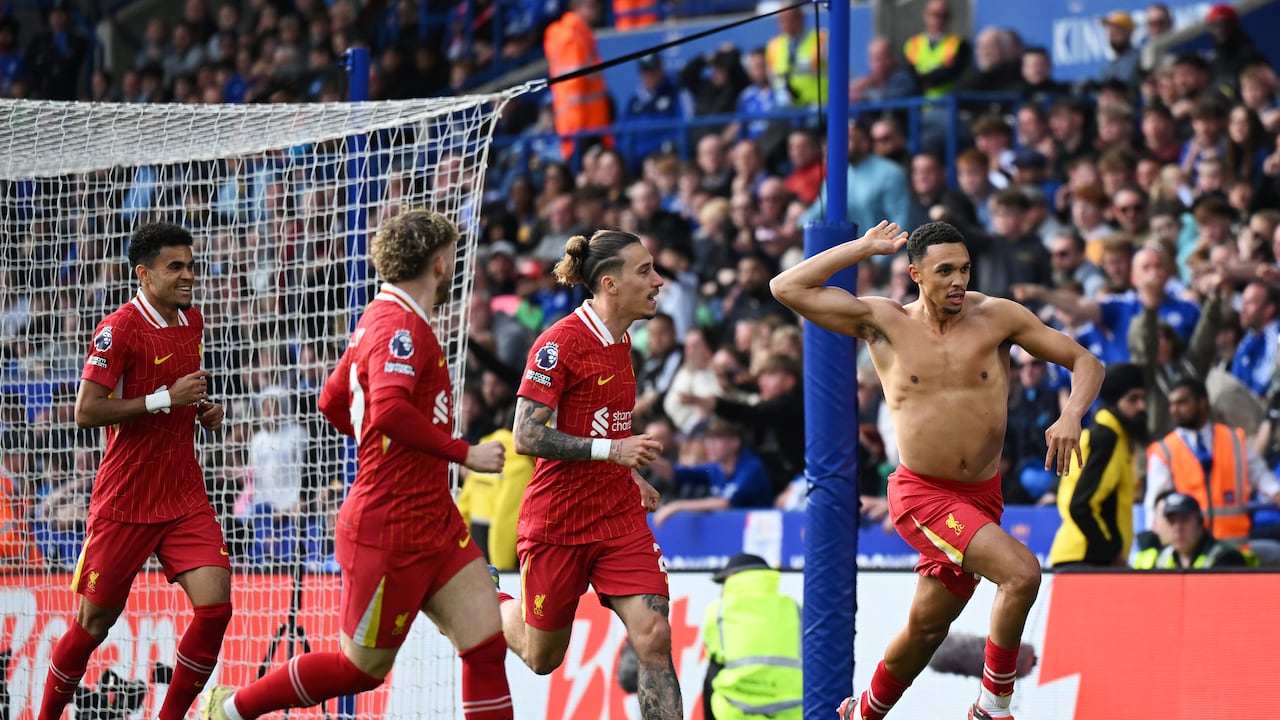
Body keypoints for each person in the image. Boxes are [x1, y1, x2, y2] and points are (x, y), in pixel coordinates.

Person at [770, 220, 1103, 720]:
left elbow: (1086, 362)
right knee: (1021, 573)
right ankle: (993, 707)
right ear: (915, 275)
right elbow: (785, 287)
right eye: (944, 271)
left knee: (927, 628)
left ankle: (862, 713)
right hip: (924, 494)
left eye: (964, 269)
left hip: (982, 496)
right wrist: (862, 248)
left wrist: (1072, 414)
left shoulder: (998, 317)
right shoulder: (884, 321)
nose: (958, 281)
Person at [201, 210, 513, 720]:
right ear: (438, 261)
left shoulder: (378, 316)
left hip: (433, 520)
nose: (456, 261)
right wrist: (464, 452)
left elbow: (330, 401)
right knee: (361, 670)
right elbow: (387, 409)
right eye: (454, 252)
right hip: (389, 528)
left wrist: (380, 446)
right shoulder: (399, 327)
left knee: (485, 646)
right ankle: (230, 710)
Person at [38, 222, 231, 720]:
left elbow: (177, 394)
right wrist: (168, 399)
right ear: (144, 274)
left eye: (191, 265)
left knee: (215, 608)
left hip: (183, 494)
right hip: (125, 499)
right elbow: (86, 411)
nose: (188, 275)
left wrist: (203, 411)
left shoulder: (193, 321)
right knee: (93, 625)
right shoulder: (118, 328)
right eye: (176, 267)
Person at [501, 229, 681, 720]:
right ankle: (485, 597)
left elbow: (604, 424)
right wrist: (613, 450)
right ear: (610, 284)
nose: (658, 280)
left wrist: (627, 474)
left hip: (618, 519)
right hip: (558, 521)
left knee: (655, 634)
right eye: (645, 271)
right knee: (543, 659)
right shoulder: (559, 344)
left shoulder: (623, 341)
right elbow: (526, 437)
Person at [1144, 377, 1279, 543]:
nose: (1174, 410)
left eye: (1182, 402)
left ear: (1202, 403)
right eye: (1172, 404)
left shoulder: (1234, 439)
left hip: (1234, 549)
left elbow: (1263, 478)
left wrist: (1276, 493)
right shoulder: (1165, 451)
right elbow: (1154, 505)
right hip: (1191, 552)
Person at [1049, 363, 1147, 568]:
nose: (1141, 407)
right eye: (1133, 399)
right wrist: (1110, 554)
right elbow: (1081, 505)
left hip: (1081, 559)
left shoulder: (1111, 437)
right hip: (1086, 560)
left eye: (1143, 398)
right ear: (1114, 402)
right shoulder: (1107, 438)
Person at [701, 553, 802, 720]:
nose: (722, 590)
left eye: (723, 583)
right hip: (792, 711)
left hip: (737, 712)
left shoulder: (719, 611)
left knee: (714, 671)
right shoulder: (795, 608)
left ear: (732, 577)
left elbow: (713, 671)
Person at [543, 0, 612, 161]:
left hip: (585, 123)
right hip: (582, 126)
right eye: (592, 5)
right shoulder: (572, 37)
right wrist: (579, 132)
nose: (598, 9)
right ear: (576, 7)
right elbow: (573, 86)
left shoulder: (578, 34)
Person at [1143, 491, 1248, 568]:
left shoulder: (1227, 558)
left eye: (1184, 520)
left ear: (1199, 521)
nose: (1178, 528)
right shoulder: (1163, 558)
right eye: (1172, 521)